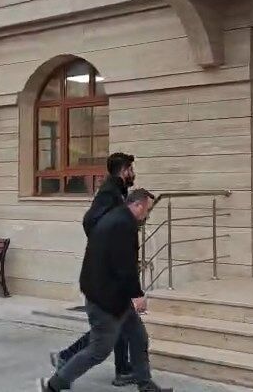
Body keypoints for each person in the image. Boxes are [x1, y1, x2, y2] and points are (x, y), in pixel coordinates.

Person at [39, 189, 172, 392]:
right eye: (147, 210)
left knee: (138, 337)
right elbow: (124, 264)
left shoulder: (116, 217)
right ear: (138, 205)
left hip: (113, 295)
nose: (147, 215)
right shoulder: (124, 225)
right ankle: (53, 385)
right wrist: (137, 294)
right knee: (99, 349)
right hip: (105, 299)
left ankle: (146, 386)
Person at [50, 152, 136, 386]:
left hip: (110, 269)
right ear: (123, 171)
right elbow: (89, 221)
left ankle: (120, 368)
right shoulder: (110, 193)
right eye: (130, 169)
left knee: (116, 322)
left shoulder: (117, 191)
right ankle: (68, 361)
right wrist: (105, 246)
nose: (133, 173)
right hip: (107, 271)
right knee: (110, 325)